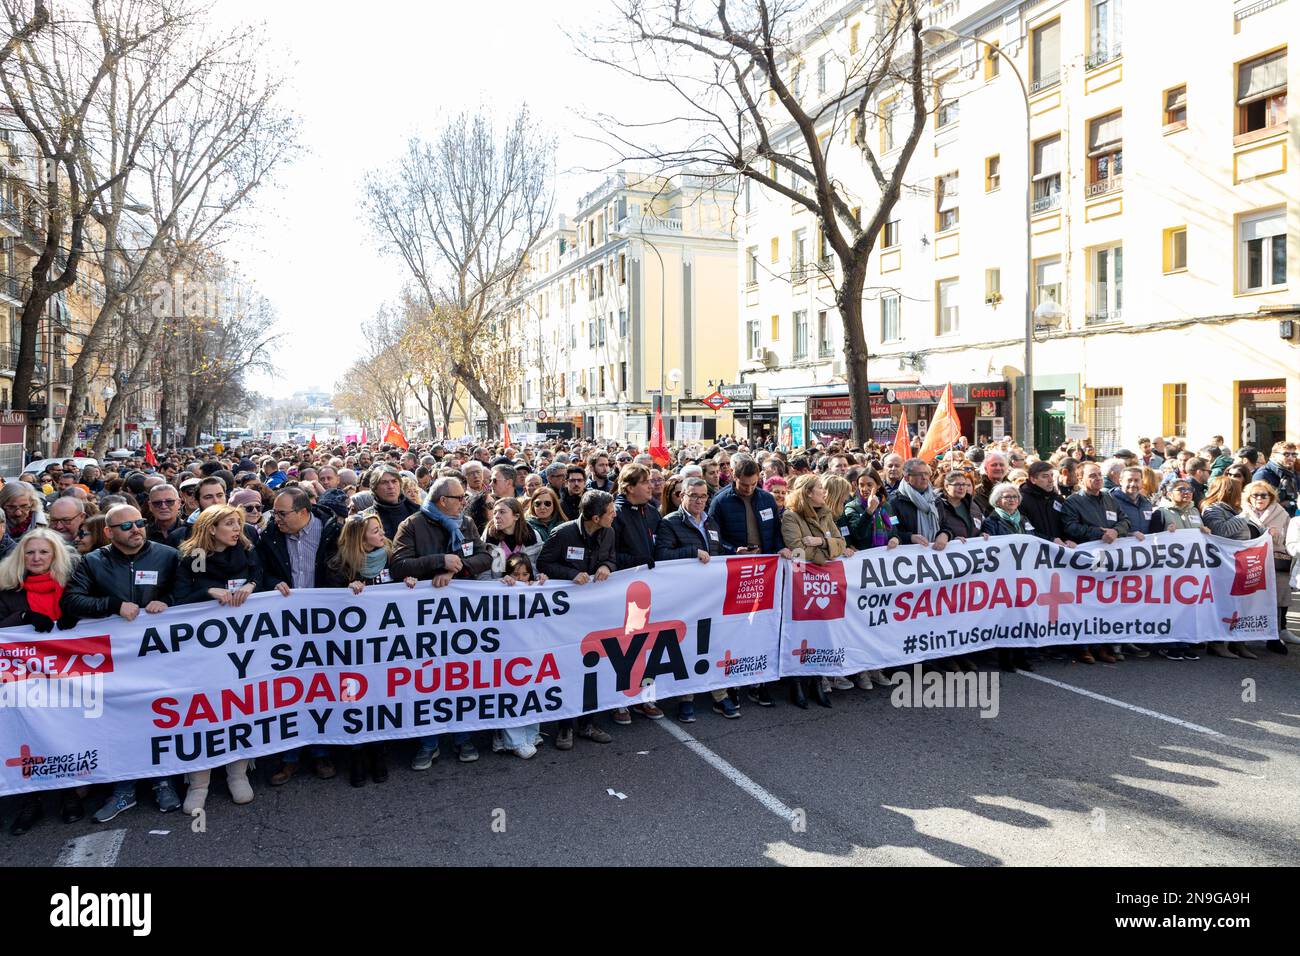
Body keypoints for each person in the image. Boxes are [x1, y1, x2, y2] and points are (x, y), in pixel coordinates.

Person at [61, 504, 182, 821]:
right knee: (120, 724)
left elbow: (185, 593)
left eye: (140, 523)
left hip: (159, 657)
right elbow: (72, 601)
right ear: (109, 532)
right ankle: (123, 790)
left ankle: (163, 782)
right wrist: (113, 605)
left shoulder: (168, 556)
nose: (136, 530)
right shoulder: (92, 561)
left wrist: (167, 601)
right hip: (116, 662)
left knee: (160, 718)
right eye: (126, 526)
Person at [392, 476, 492, 770]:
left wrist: (456, 570)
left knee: (462, 677)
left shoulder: (465, 523)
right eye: (459, 497)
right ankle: (428, 743)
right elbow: (399, 565)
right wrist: (439, 561)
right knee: (427, 681)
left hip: (460, 615)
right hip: (423, 620)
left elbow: (484, 556)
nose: (464, 502)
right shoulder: (411, 525)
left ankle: (463, 738)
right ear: (441, 501)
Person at [173, 506, 266, 813]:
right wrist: (208, 592)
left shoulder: (247, 549)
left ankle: (237, 773)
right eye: (229, 524)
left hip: (242, 646)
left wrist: (252, 586)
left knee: (241, 706)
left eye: (238, 523)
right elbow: (180, 598)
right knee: (204, 713)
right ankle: (199, 783)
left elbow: (259, 577)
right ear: (211, 529)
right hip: (203, 650)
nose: (237, 529)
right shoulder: (191, 558)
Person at [258, 487, 344, 784]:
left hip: (327, 623)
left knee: (321, 687)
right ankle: (289, 755)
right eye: (275, 513)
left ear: (304, 513)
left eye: (282, 513)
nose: (276, 519)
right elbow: (261, 572)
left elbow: (351, 566)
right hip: (287, 625)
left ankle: (322, 752)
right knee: (290, 690)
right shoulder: (269, 535)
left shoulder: (335, 531)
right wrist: (273, 582)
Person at [326, 512, 419, 785]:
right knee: (354, 699)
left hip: (385, 646)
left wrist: (409, 584)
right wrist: (345, 592)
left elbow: (403, 587)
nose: (382, 535)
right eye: (375, 531)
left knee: (380, 695)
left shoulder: (391, 557)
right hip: (352, 649)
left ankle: (379, 750)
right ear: (359, 537)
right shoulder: (337, 566)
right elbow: (325, 607)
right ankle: (357, 753)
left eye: (380, 529)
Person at [0, 529, 82, 834]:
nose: (36, 558)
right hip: (20, 681)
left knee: (63, 732)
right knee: (24, 736)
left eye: (43, 552)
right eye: (30, 552)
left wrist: (79, 615)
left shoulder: (71, 586)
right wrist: (22, 618)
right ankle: (29, 801)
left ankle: (68, 794)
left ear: (55, 555)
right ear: (21, 556)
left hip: (66, 678)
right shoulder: (7, 588)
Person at [537, 490, 618, 748]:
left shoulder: (609, 532)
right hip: (566, 615)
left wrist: (607, 567)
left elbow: (611, 559)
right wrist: (571, 573)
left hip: (594, 614)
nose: (615, 514)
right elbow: (544, 564)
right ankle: (564, 727)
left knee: (593, 667)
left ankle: (588, 723)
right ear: (595, 517)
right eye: (610, 511)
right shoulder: (563, 534)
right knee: (567, 668)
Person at [654, 476, 737, 721]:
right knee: (687, 647)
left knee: (714, 644)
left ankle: (719, 696)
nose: (700, 501)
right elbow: (662, 556)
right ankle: (686, 698)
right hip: (684, 599)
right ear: (682, 496)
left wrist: (735, 553)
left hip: (711, 596)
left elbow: (717, 552)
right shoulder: (670, 523)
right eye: (694, 496)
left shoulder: (711, 522)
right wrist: (692, 552)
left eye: (703, 496)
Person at [780, 474, 846, 708]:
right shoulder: (790, 517)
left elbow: (841, 543)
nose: (824, 491)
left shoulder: (826, 514)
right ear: (808, 492)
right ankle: (796, 682)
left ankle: (817, 681)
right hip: (801, 584)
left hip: (824, 584)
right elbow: (797, 550)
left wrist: (819, 543)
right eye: (819, 488)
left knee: (821, 630)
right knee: (801, 631)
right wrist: (827, 553)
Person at [1200, 476, 1261, 660]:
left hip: (1242, 563)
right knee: (1225, 605)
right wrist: (1244, 516)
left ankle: (1238, 642)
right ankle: (1217, 643)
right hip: (1224, 565)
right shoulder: (1213, 509)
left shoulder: (1237, 509)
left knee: (1241, 604)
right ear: (1229, 491)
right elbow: (1221, 531)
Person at [1241, 480, 1292, 655]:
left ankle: (1274, 636)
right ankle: (1244, 637)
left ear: (1271, 497)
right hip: (1251, 561)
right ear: (1249, 497)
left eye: (1265, 495)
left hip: (1275, 560)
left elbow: (1288, 539)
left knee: (1276, 601)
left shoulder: (1282, 513)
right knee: (1250, 599)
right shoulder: (1242, 513)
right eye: (1256, 495)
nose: (1260, 498)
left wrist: (1276, 536)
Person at [366, 464, 421, 540]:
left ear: (400, 484)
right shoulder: (367, 518)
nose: (391, 486)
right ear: (374, 488)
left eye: (394, 481)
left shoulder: (417, 512)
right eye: (384, 482)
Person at [1252, 441, 1298, 515]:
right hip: (1269, 521)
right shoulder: (1262, 475)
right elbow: (1258, 505)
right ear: (1273, 456)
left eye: (1294, 454)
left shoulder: (1292, 474)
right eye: (1286, 454)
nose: (1291, 457)